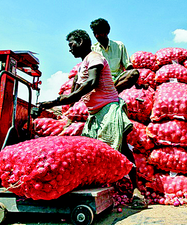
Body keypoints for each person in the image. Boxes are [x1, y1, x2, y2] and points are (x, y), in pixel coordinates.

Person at [39, 29, 147, 209]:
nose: (69, 49)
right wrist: (52, 104)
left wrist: (56, 101)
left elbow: (92, 83)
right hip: (95, 114)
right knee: (92, 153)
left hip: (109, 109)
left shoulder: (94, 57)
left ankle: (137, 192)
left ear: (81, 42)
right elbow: (72, 94)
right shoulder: (82, 66)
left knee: (122, 150)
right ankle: (99, 188)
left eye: (71, 45)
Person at [90, 18, 144, 93]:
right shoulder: (93, 49)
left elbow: (128, 66)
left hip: (118, 80)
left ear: (107, 32)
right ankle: (111, 92)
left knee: (134, 73)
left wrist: (137, 83)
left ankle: (112, 91)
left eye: (99, 33)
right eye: (94, 33)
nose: (96, 36)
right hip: (102, 83)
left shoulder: (119, 46)